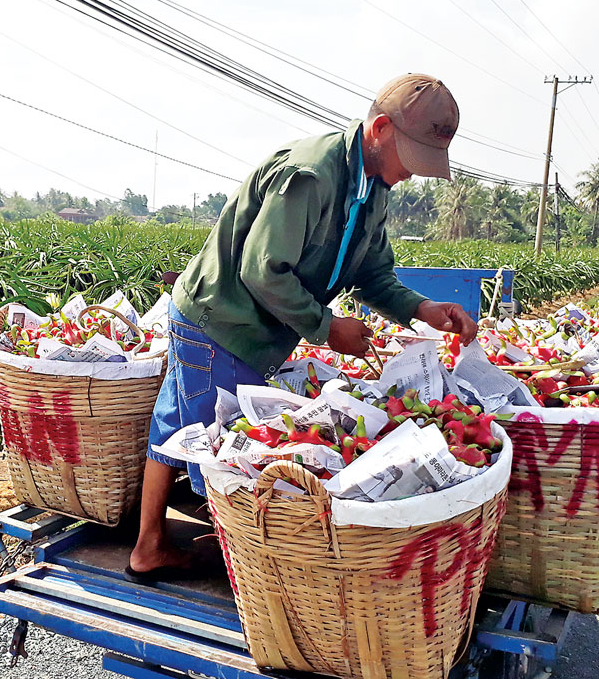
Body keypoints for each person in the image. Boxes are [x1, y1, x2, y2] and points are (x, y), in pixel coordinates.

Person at [127, 73, 479, 580]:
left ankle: (150, 547)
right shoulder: (311, 175)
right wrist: (326, 327)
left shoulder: (373, 190)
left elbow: (373, 274)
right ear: (379, 129)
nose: (412, 175)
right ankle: (245, 575)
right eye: (412, 156)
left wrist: (422, 309)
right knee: (222, 449)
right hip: (222, 321)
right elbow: (262, 270)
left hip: (244, 323)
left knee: (177, 425)